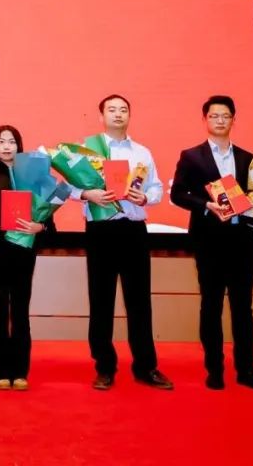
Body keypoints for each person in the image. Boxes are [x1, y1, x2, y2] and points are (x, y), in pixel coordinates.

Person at [169, 95, 253, 392]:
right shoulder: (191, 156)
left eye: (225, 116)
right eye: (214, 116)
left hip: (242, 241)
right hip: (209, 241)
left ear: (233, 120)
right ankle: (214, 370)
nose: (220, 120)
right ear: (205, 119)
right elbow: (177, 194)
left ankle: (247, 370)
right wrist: (206, 205)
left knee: (244, 308)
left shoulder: (249, 160)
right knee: (211, 305)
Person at [72, 95, 173, 391]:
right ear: (101, 116)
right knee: (100, 301)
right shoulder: (87, 149)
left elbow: (156, 188)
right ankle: (104, 367)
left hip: (133, 231)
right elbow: (67, 186)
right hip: (100, 231)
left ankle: (146, 366)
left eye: (123, 110)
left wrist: (146, 197)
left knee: (139, 301)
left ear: (129, 115)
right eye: (112, 110)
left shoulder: (142, 152)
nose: (118, 114)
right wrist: (87, 194)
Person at [0, 125, 54, 391]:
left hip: (23, 251)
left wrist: (39, 227)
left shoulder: (32, 174)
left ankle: (20, 370)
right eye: (1, 141)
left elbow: (48, 219)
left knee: (20, 310)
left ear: (19, 146)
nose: (7, 146)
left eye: (12, 141)